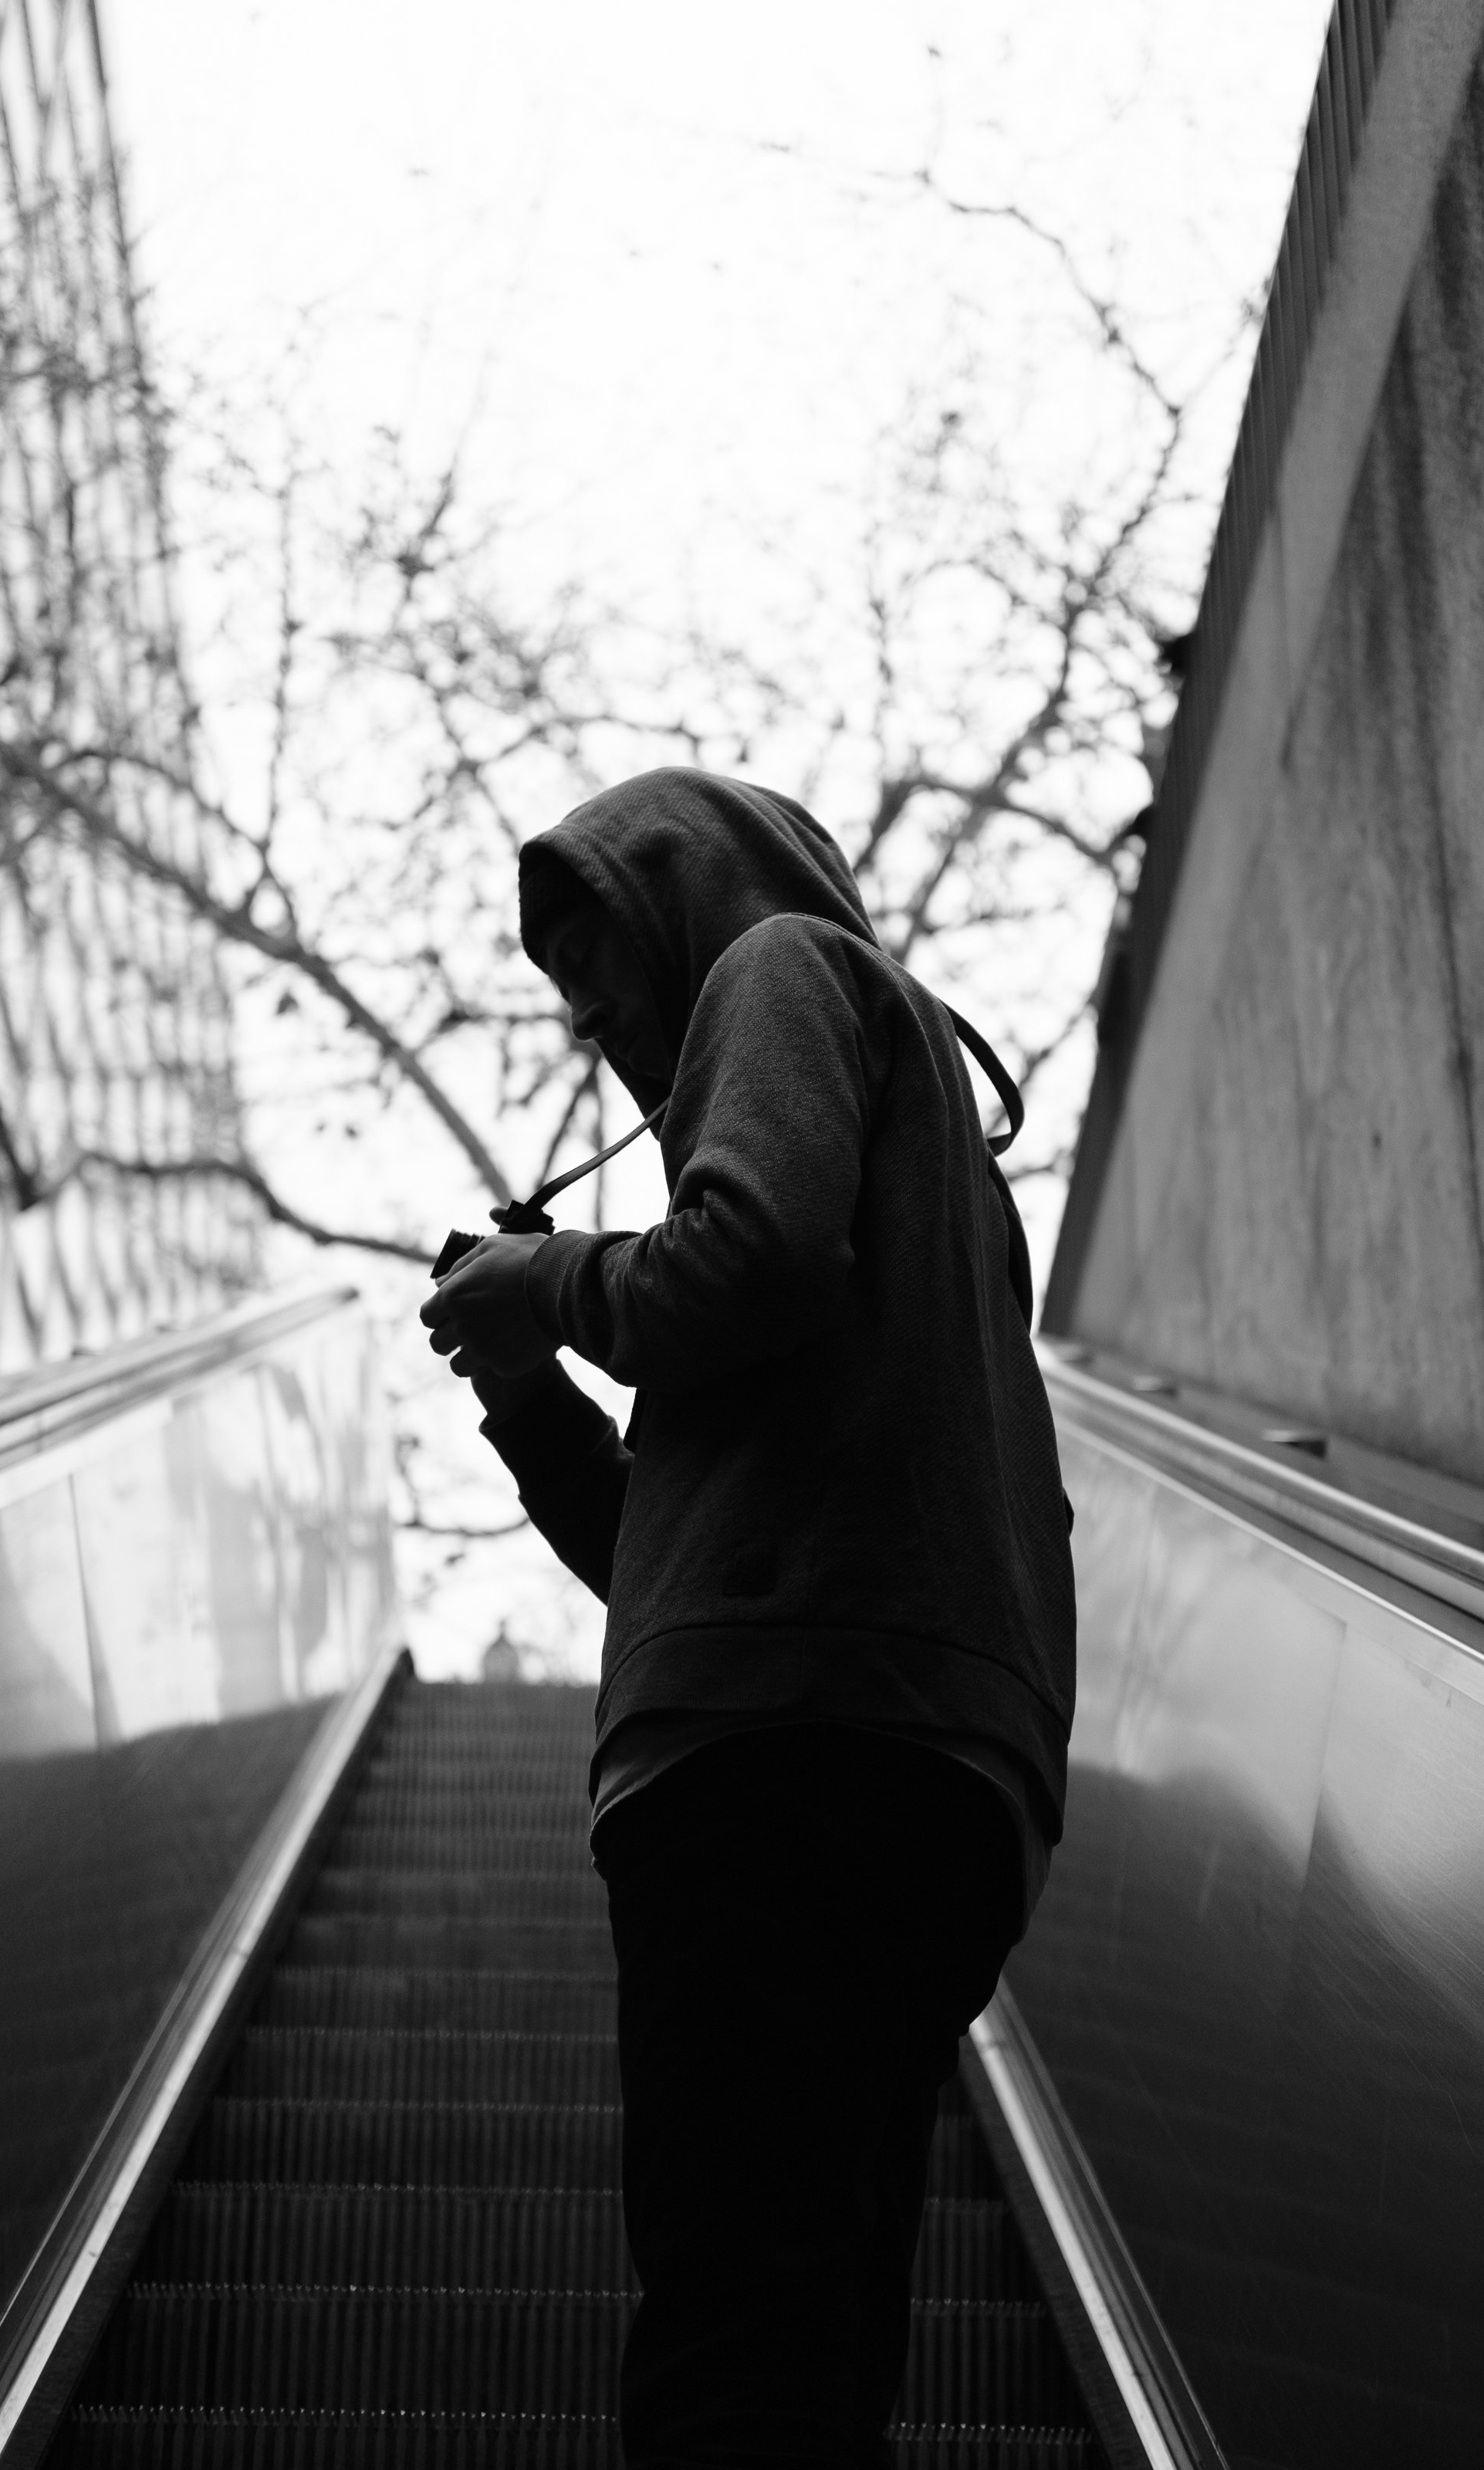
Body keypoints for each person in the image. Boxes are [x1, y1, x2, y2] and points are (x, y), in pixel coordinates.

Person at [420, 767, 1076, 2470]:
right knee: (808, 2326)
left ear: (678, 896)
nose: (597, 1022)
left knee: (731, 2327)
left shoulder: (775, 964)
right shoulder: (930, 1179)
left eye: (602, 962)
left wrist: (545, 1283)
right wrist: (529, 1386)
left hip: (777, 1769)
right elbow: (669, 1569)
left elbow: (754, 1255)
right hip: (926, 1765)